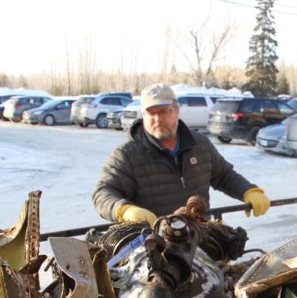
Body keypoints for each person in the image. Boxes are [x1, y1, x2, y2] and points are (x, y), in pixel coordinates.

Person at [92, 83, 269, 225]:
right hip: (153, 248)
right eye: (150, 113)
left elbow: (223, 176)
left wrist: (249, 191)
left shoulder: (200, 144)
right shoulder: (127, 155)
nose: (157, 119)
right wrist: (124, 209)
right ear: (143, 115)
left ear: (176, 110)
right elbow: (103, 193)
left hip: (197, 238)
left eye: (163, 111)